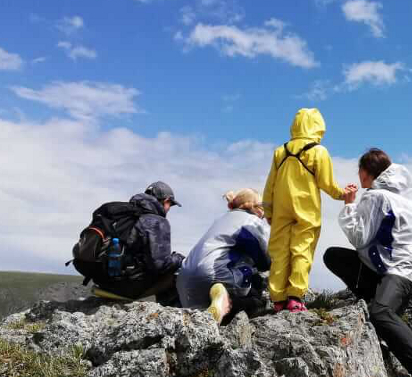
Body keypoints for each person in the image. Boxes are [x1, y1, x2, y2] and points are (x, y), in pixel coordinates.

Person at [323, 148, 412, 377]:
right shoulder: (404, 196)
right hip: (405, 266)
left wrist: (348, 206)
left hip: (399, 270)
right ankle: (376, 302)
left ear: (367, 172)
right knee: (335, 256)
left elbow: (359, 237)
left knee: (380, 312)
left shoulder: (376, 196)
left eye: (359, 170)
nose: (358, 175)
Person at [262, 108, 353, 313]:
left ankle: (277, 299)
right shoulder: (318, 151)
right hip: (306, 209)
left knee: (280, 251)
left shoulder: (280, 151)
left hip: (281, 210)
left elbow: (270, 186)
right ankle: (295, 297)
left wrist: (268, 211)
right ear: (318, 126)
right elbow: (327, 183)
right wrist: (343, 195)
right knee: (302, 249)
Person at [177, 188, 271, 323]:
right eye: (262, 208)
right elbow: (266, 259)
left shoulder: (221, 219)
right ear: (254, 207)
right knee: (257, 297)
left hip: (185, 279)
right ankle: (227, 299)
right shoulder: (250, 221)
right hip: (215, 274)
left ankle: (215, 307)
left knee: (201, 323)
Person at [85, 181, 185, 305]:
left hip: (102, 280)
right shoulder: (156, 220)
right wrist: (179, 259)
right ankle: (173, 315)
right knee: (180, 270)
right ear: (166, 200)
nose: (169, 209)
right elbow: (160, 264)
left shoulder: (124, 214)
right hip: (126, 285)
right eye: (170, 204)